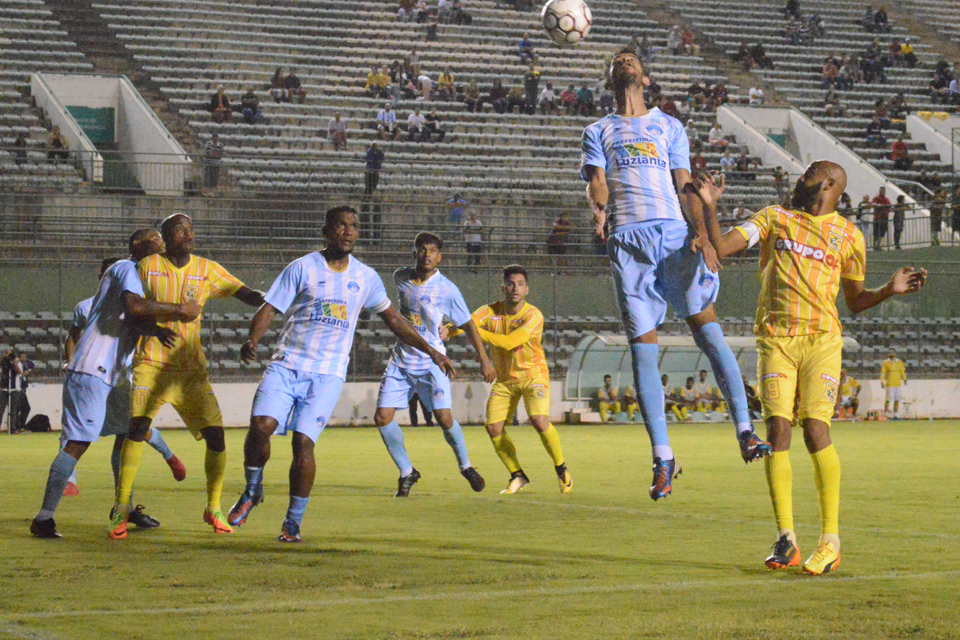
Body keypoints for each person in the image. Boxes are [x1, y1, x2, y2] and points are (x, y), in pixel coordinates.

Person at [699, 159, 927, 575]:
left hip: (822, 341)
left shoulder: (849, 236)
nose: (798, 180)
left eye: (806, 175)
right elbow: (722, 247)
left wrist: (888, 291)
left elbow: (855, 302)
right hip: (776, 340)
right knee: (777, 429)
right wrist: (711, 207)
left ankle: (830, 540)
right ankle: (786, 538)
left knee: (815, 429)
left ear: (826, 183)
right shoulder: (775, 217)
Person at [581, 45, 772, 502]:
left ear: (645, 78)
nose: (625, 63)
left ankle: (745, 429)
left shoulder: (669, 126)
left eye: (632, 60)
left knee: (708, 331)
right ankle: (664, 457)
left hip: (671, 236)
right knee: (644, 354)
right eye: (618, 61)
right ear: (612, 79)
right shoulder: (598, 130)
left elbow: (685, 186)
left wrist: (702, 231)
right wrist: (600, 208)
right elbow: (596, 179)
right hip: (627, 242)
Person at [226, 207, 455, 542]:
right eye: (341, 225)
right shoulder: (302, 267)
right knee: (260, 427)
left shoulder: (366, 277)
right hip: (287, 364)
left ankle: (293, 521)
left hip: (327, 374)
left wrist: (432, 350)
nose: (348, 231)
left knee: (303, 443)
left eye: (354, 226)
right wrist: (253, 339)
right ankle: (252, 490)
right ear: (326, 231)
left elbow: (394, 320)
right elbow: (270, 308)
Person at [30, 229, 200, 539]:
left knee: (129, 435)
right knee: (78, 443)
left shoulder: (139, 276)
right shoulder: (125, 267)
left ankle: (125, 506)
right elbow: (135, 307)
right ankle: (44, 518)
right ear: (137, 246)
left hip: (113, 374)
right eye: (156, 239)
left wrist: (157, 331)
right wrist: (179, 311)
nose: (162, 243)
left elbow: (130, 318)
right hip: (92, 368)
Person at [108, 214, 266, 540]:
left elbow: (244, 293)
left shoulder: (207, 269)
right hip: (151, 363)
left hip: (191, 369)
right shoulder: (147, 265)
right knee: (136, 429)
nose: (189, 234)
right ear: (166, 236)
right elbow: (131, 307)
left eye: (191, 229)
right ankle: (121, 508)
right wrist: (171, 313)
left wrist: (274, 296)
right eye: (181, 229)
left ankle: (213, 508)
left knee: (217, 437)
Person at [372, 233, 496, 496]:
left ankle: (466, 466)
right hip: (401, 361)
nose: (426, 254)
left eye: (432, 251)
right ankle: (407, 472)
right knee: (382, 418)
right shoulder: (400, 277)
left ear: (440, 257)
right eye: (422, 249)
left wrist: (484, 359)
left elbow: (468, 325)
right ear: (414, 252)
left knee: (444, 418)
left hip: (433, 362)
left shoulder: (447, 289)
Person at [60, 256, 187, 497]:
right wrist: (70, 360)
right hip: (91, 374)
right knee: (72, 430)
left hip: (122, 376)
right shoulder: (85, 307)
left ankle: (167, 457)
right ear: (102, 278)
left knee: (134, 428)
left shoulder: (136, 306)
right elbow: (72, 336)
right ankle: (69, 481)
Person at [457, 265, 573, 494]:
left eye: (520, 284)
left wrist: (474, 331)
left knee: (539, 420)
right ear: (503, 288)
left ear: (527, 289)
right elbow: (465, 323)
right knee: (493, 428)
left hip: (533, 376)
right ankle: (517, 475)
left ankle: (561, 468)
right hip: (505, 380)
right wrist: (448, 331)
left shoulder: (533, 315)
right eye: (510, 284)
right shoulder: (490, 311)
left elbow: (510, 342)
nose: (515, 288)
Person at [881, 351, 907, 418]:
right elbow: (883, 372)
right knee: (888, 400)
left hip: (897, 384)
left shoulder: (899, 362)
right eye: (890, 353)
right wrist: (882, 381)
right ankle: (886, 415)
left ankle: (895, 415)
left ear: (895, 354)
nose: (891, 354)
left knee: (897, 400)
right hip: (890, 384)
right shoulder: (886, 362)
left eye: (892, 353)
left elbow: (902, 371)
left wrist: (905, 379)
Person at [0, 349, 21, 433]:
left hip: (14, 389)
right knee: (1, 409)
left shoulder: (17, 363)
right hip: (3, 389)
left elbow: (19, 372)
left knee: (13, 410)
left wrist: (13, 363)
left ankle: (12, 428)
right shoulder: (3, 364)